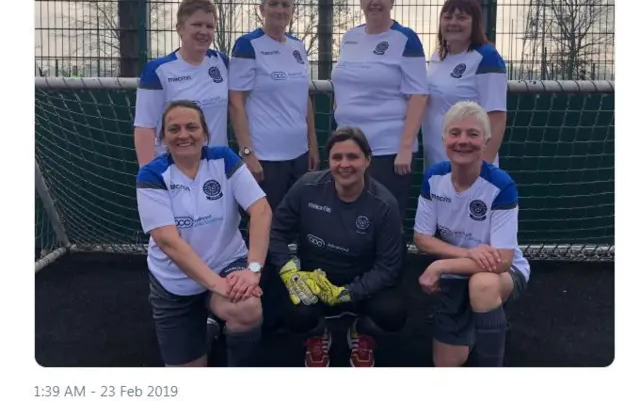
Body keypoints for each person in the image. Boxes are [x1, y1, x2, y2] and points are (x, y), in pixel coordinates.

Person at [136, 100, 272, 367]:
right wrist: (216, 285)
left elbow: (262, 211)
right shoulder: (152, 174)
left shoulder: (223, 159)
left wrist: (253, 270)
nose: (184, 134)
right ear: (163, 137)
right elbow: (168, 242)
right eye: (173, 129)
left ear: (205, 134)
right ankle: (207, 328)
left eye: (191, 127)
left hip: (225, 264)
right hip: (174, 283)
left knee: (246, 307)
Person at [269, 126, 406, 367]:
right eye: (337, 157)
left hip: (363, 286)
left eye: (353, 156)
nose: (345, 164)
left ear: (368, 160)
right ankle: (319, 334)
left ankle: (361, 331)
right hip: (315, 282)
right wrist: (291, 272)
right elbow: (276, 234)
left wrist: (348, 293)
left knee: (392, 312)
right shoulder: (307, 188)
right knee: (295, 313)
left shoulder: (384, 205)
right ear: (329, 161)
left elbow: (388, 267)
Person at [413, 101, 530, 367]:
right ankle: (486, 325)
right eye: (455, 133)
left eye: (472, 134)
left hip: (500, 273)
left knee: (483, 285)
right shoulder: (434, 177)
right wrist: (466, 253)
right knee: (446, 364)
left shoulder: (500, 185)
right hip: (459, 270)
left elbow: (502, 260)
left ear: (486, 141)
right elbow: (422, 238)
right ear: (444, 139)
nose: (462, 141)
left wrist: (442, 264)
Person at [331, 0, 428, 223]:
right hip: (350, 148)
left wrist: (405, 148)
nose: (375, 0)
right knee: (349, 221)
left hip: (388, 151)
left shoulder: (406, 39)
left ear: (392, 0)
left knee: (385, 222)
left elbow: (418, 95)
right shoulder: (350, 38)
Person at [229, 0, 320, 212]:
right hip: (265, 158)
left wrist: (312, 144)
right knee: (267, 226)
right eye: (273, 4)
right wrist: (247, 152)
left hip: (299, 155)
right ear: (262, 9)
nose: (280, 10)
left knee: (300, 222)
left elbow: (304, 98)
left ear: (292, 10)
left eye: (285, 5)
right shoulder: (248, 46)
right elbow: (236, 103)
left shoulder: (298, 47)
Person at [134, 0, 230, 168]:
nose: (204, 31)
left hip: (216, 168)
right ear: (180, 29)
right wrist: (147, 176)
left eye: (209, 26)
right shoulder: (158, 71)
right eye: (197, 24)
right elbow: (144, 127)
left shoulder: (221, 62)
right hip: (174, 168)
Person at [422, 0, 508, 166]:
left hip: (471, 169)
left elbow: (497, 118)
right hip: (436, 164)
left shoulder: (487, 57)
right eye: (447, 17)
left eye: (461, 18)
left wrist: (483, 168)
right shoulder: (437, 56)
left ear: (474, 23)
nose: (453, 23)